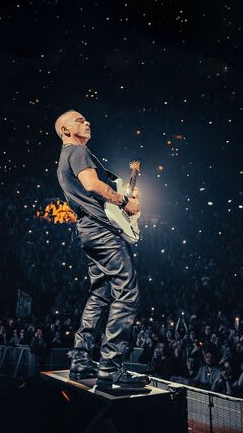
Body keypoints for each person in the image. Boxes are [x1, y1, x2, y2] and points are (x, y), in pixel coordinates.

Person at [54, 109, 148, 387]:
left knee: (100, 295)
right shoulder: (78, 151)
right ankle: (111, 366)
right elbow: (93, 185)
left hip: (88, 232)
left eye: (86, 118)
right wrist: (125, 203)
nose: (87, 122)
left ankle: (81, 362)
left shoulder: (64, 159)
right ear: (65, 130)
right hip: (102, 232)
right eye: (79, 120)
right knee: (127, 292)